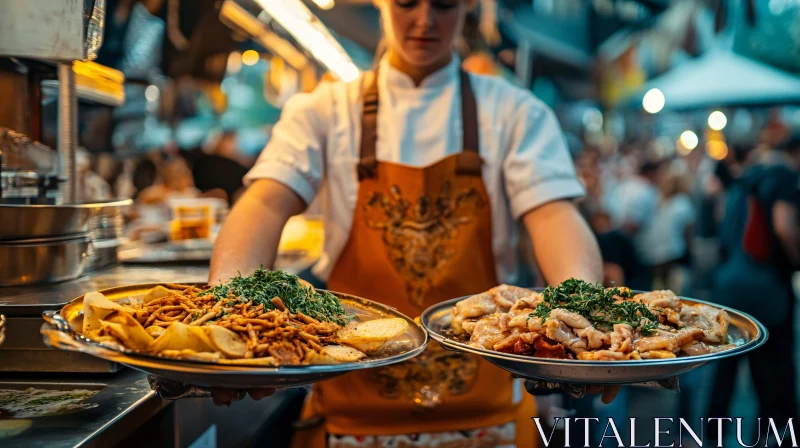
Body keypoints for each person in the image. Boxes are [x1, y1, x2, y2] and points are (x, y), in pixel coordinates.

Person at [209, 0, 613, 446]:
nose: (425, 20)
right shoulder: (324, 110)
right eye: (406, 3)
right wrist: (227, 311)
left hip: (487, 417)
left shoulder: (515, 111)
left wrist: (585, 320)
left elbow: (555, 214)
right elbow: (264, 203)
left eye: (443, 5)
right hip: (353, 416)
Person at [707, 133, 800, 435]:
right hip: (766, 286)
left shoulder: (750, 174)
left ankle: (710, 432)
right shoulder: (785, 175)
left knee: (725, 363)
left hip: (730, 281)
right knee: (772, 368)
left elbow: (722, 217)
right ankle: (774, 434)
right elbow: (784, 226)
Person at [636, 167, 695, 294]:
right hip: (674, 254)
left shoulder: (660, 202)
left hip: (654, 255)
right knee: (676, 293)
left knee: (658, 292)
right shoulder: (683, 203)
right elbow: (687, 232)